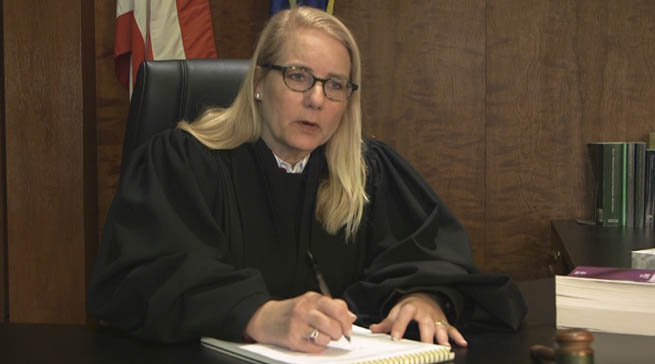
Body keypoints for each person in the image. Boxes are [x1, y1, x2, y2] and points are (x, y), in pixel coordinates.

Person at [88, 6, 526, 353]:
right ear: (259, 80)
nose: (316, 99)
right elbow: (144, 280)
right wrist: (257, 314)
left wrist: (426, 298)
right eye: (298, 76)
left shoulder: (368, 175)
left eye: (335, 85)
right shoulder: (183, 163)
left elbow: (434, 256)